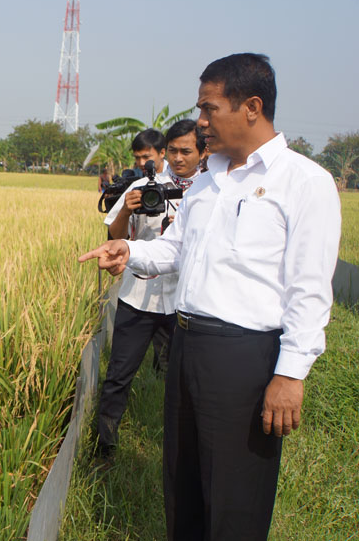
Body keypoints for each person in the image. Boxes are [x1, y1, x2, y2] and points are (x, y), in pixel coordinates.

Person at [79, 53, 341, 540]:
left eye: (208, 108)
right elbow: (178, 249)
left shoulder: (304, 183)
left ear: (251, 107)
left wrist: (290, 373)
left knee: (235, 494)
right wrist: (128, 248)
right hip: (187, 344)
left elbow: (309, 290)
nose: (200, 122)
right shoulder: (207, 179)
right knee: (183, 481)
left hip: (245, 355)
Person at [94, 125, 204, 459]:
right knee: (118, 376)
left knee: (186, 381)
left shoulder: (208, 191)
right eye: (173, 151)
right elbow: (115, 233)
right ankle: (104, 449)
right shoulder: (144, 185)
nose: (179, 158)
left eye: (187, 151)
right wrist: (127, 208)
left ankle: (179, 449)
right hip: (138, 296)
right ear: (164, 152)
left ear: (202, 151)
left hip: (183, 302)